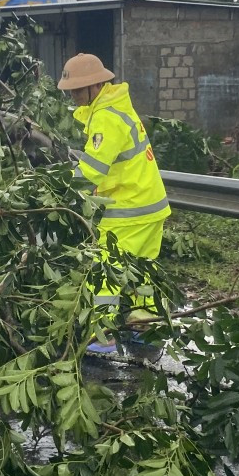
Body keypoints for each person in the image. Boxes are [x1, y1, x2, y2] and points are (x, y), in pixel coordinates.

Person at [57, 52, 170, 355]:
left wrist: (58, 186)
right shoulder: (117, 109)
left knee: (105, 269)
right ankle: (144, 326)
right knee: (142, 269)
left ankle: (102, 334)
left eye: (77, 90)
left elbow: (92, 170)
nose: (73, 96)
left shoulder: (106, 118)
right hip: (149, 206)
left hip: (128, 210)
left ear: (95, 87)